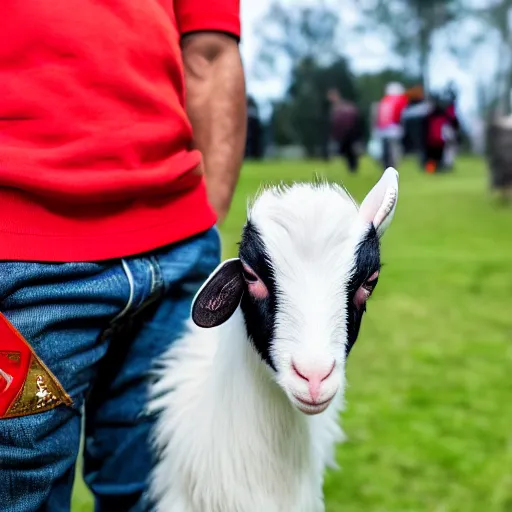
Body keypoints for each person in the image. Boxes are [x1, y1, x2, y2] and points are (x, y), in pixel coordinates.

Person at [0, 2, 245, 511]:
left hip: (180, 264)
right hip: (19, 259)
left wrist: (204, 219)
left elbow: (211, 51)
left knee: (165, 499)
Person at [327, 89, 363, 172]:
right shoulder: (342, 107)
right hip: (348, 133)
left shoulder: (338, 108)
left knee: (348, 152)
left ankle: (352, 168)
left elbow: (337, 122)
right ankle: (352, 168)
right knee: (348, 152)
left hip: (347, 133)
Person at [375, 82, 409, 169]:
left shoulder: (384, 100)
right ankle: (393, 166)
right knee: (394, 149)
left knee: (386, 149)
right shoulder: (401, 100)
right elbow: (403, 115)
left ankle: (386, 165)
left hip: (382, 129)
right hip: (394, 128)